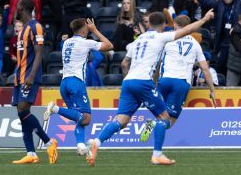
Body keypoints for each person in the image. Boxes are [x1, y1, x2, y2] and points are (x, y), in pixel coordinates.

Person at [84, 9, 214, 166]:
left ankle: (97, 142)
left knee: (121, 120)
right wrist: (205, 19)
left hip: (128, 82)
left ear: (149, 24)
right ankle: (157, 155)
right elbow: (187, 30)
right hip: (144, 82)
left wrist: (130, 79)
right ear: (164, 25)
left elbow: (124, 63)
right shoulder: (161, 37)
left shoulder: (137, 40)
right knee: (164, 118)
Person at [140, 15, 215, 142]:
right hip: (181, 83)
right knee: (170, 121)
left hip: (165, 80)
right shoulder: (195, 44)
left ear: (175, 25)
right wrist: (212, 89)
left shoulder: (167, 39)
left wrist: (154, 80)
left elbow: (157, 63)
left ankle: (153, 128)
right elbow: (205, 68)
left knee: (161, 115)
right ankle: (152, 125)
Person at [44, 18, 113, 155]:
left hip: (64, 83)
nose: (88, 29)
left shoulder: (66, 42)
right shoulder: (86, 42)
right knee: (86, 118)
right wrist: (95, 30)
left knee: (79, 118)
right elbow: (109, 45)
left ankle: (81, 145)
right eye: (87, 28)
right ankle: (55, 109)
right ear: (83, 29)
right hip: (76, 82)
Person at [11, 0, 58, 164]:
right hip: (20, 76)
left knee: (23, 110)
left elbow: (39, 53)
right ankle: (31, 153)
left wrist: (31, 76)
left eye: (17, 7)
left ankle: (49, 142)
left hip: (29, 76)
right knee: (21, 114)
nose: (15, 9)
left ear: (22, 8)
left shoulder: (35, 26)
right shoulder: (23, 29)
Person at [189, 0, 241, 75]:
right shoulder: (219, 4)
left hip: (238, 41)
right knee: (220, 67)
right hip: (224, 42)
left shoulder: (240, 3)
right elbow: (205, 2)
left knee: (237, 69)